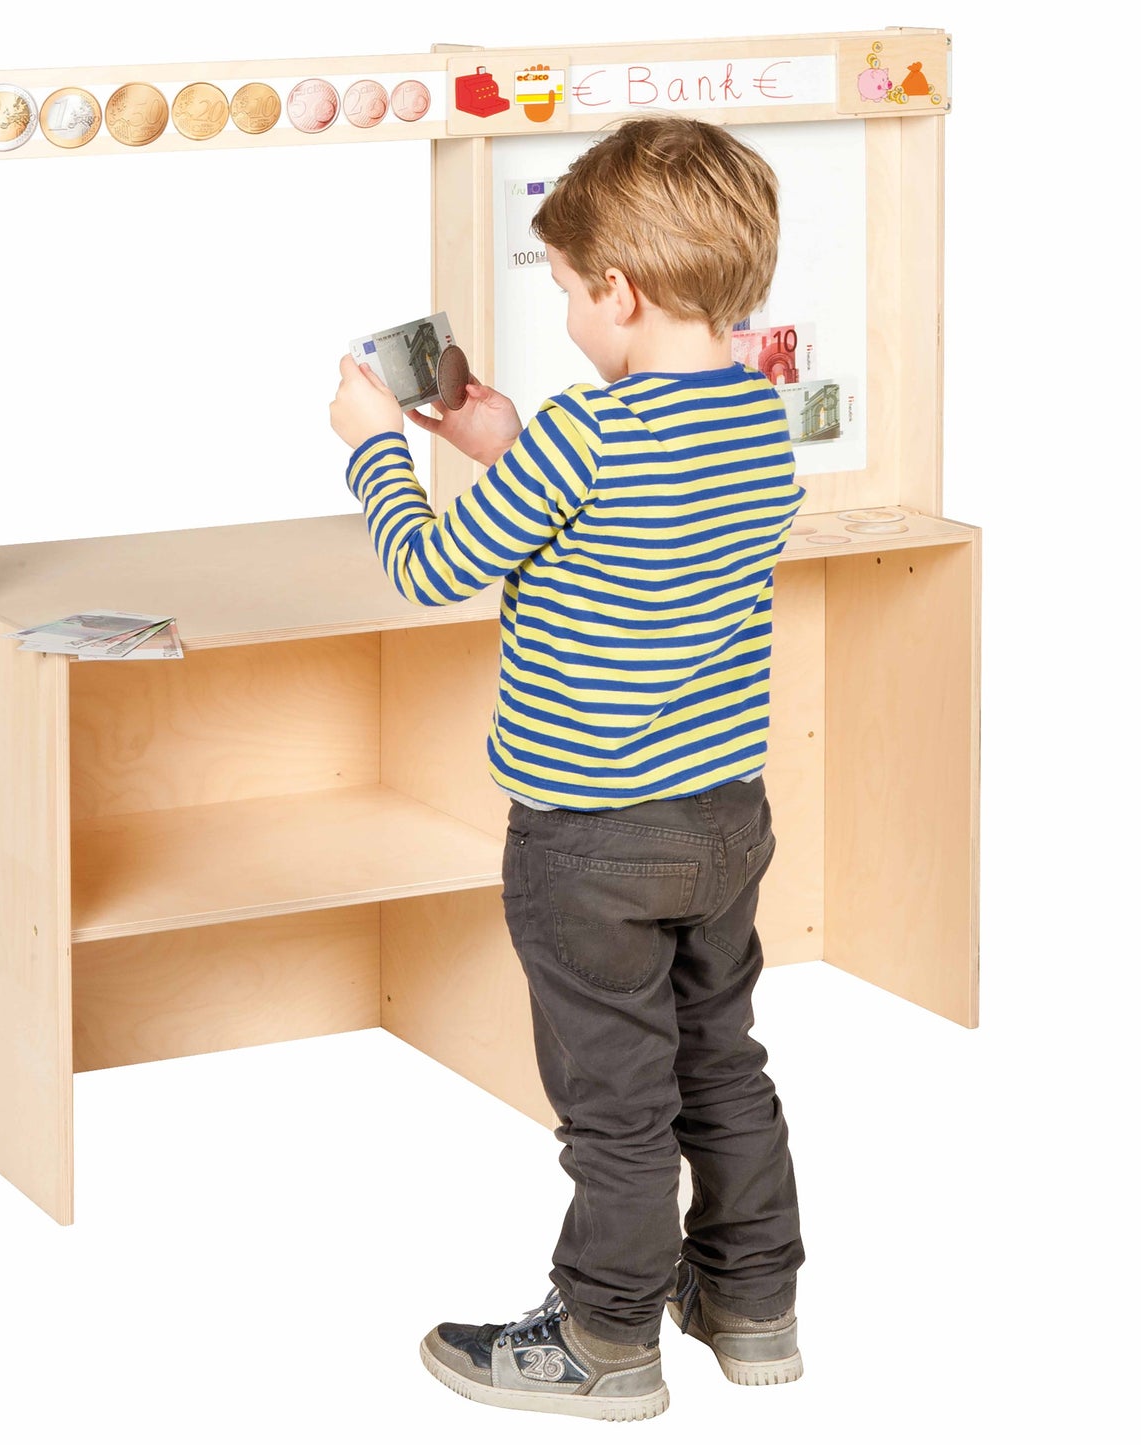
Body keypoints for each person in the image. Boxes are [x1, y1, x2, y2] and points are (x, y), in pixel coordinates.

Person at [328, 114, 806, 1422]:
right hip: (722, 818)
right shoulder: (756, 417)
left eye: (566, 292)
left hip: (589, 839)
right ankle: (752, 1301)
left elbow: (430, 566)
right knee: (720, 1059)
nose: (569, 318)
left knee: (615, 1097)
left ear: (621, 291)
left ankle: (603, 1338)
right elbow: (640, 530)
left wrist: (375, 445)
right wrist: (502, 438)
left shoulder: (584, 434)